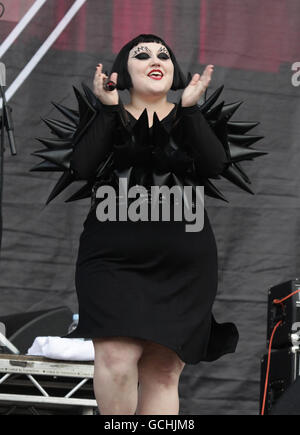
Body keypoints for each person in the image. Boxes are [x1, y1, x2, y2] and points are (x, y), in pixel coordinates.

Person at [32, 33, 265, 415]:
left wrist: (190, 110)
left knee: (162, 373)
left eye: (164, 55)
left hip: (184, 269)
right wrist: (107, 110)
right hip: (112, 264)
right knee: (117, 363)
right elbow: (82, 167)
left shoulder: (193, 118)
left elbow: (214, 165)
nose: (155, 59)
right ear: (122, 71)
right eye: (142, 55)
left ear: (174, 72)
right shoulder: (105, 118)